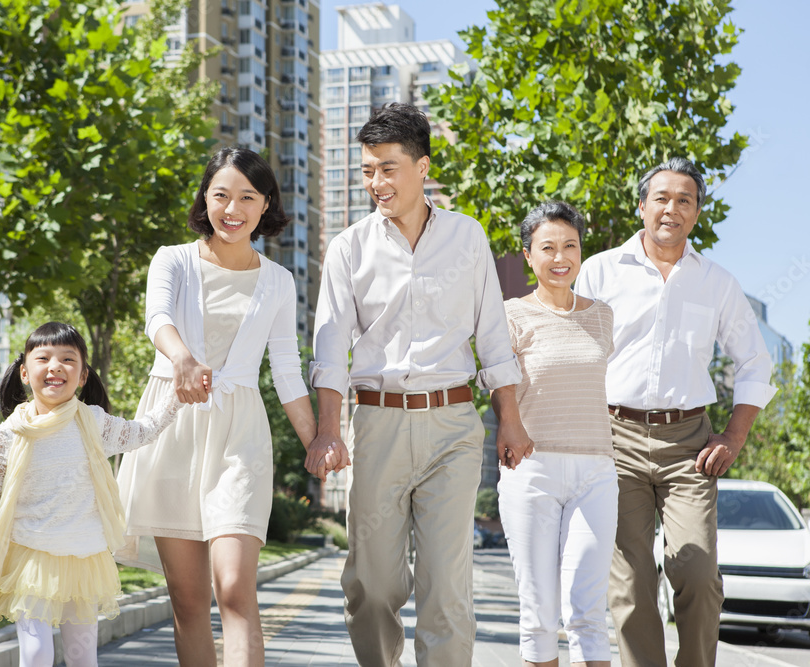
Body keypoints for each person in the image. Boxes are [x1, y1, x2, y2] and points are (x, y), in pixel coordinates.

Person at [311, 102, 532, 666]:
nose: (376, 182)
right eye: (367, 170)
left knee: (446, 586)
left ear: (423, 167)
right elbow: (331, 347)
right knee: (373, 586)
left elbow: (492, 336)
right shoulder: (348, 249)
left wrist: (509, 417)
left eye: (388, 168)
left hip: (453, 427)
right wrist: (328, 431)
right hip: (378, 422)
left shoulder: (467, 238)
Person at [115, 146, 347, 667]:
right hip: (171, 430)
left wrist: (318, 442)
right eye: (221, 195)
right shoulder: (172, 259)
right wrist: (182, 359)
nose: (232, 208)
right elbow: (157, 318)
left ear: (266, 205)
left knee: (236, 587)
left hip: (240, 435)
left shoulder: (279, 281)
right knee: (189, 600)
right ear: (205, 199)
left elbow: (286, 369)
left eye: (247, 196)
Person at [576, 157, 777, 667]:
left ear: (696, 214)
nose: (671, 208)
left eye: (684, 200)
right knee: (629, 582)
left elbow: (755, 361)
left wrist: (733, 436)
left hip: (690, 444)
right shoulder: (598, 271)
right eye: (661, 198)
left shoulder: (717, 282)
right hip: (612, 437)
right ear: (641, 206)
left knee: (698, 572)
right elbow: (570, 353)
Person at [0, 321, 181, 667]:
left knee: (83, 657)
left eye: (68, 360)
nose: (55, 366)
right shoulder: (12, 432)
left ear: (83, 375)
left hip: (84, 556)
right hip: (29, 557)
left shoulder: (94, 422)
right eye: (43, 358)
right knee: (37, 654)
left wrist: (178, 393)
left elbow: (142, 432)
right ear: (25, 373)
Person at [493, 201, 617, 667]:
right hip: (532, 470)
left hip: (597, 472)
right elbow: (501, 392)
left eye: (570, 245)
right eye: (548, 247)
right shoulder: (509, 315)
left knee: (588, 611)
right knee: (540, 615)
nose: (560, 257)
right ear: (528, 255)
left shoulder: (603, 316)